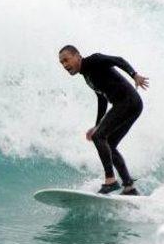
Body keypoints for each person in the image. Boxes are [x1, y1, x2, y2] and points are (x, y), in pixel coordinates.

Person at [58, 45, 149, 195]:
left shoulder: (95, 60)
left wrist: (134, 75)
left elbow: (118, 60)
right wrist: (97, 125)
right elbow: (102, 99)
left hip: (128, 102)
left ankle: (110, 181)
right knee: (108, 143)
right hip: (129, 104)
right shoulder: (86, 76)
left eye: (66, 60)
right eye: (62, 63)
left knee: (99, 137)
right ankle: (129, 187)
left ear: (77, 56)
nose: (65, 65)